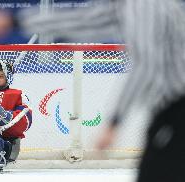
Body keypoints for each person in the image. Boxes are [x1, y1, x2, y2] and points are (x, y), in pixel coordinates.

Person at [20, 0, 185, 181]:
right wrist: (16, 21)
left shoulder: (143, 4)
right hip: (169, 113)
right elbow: (86, 21)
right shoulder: (127, 7)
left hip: (177, 109)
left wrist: (114, 122)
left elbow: (145, 66)